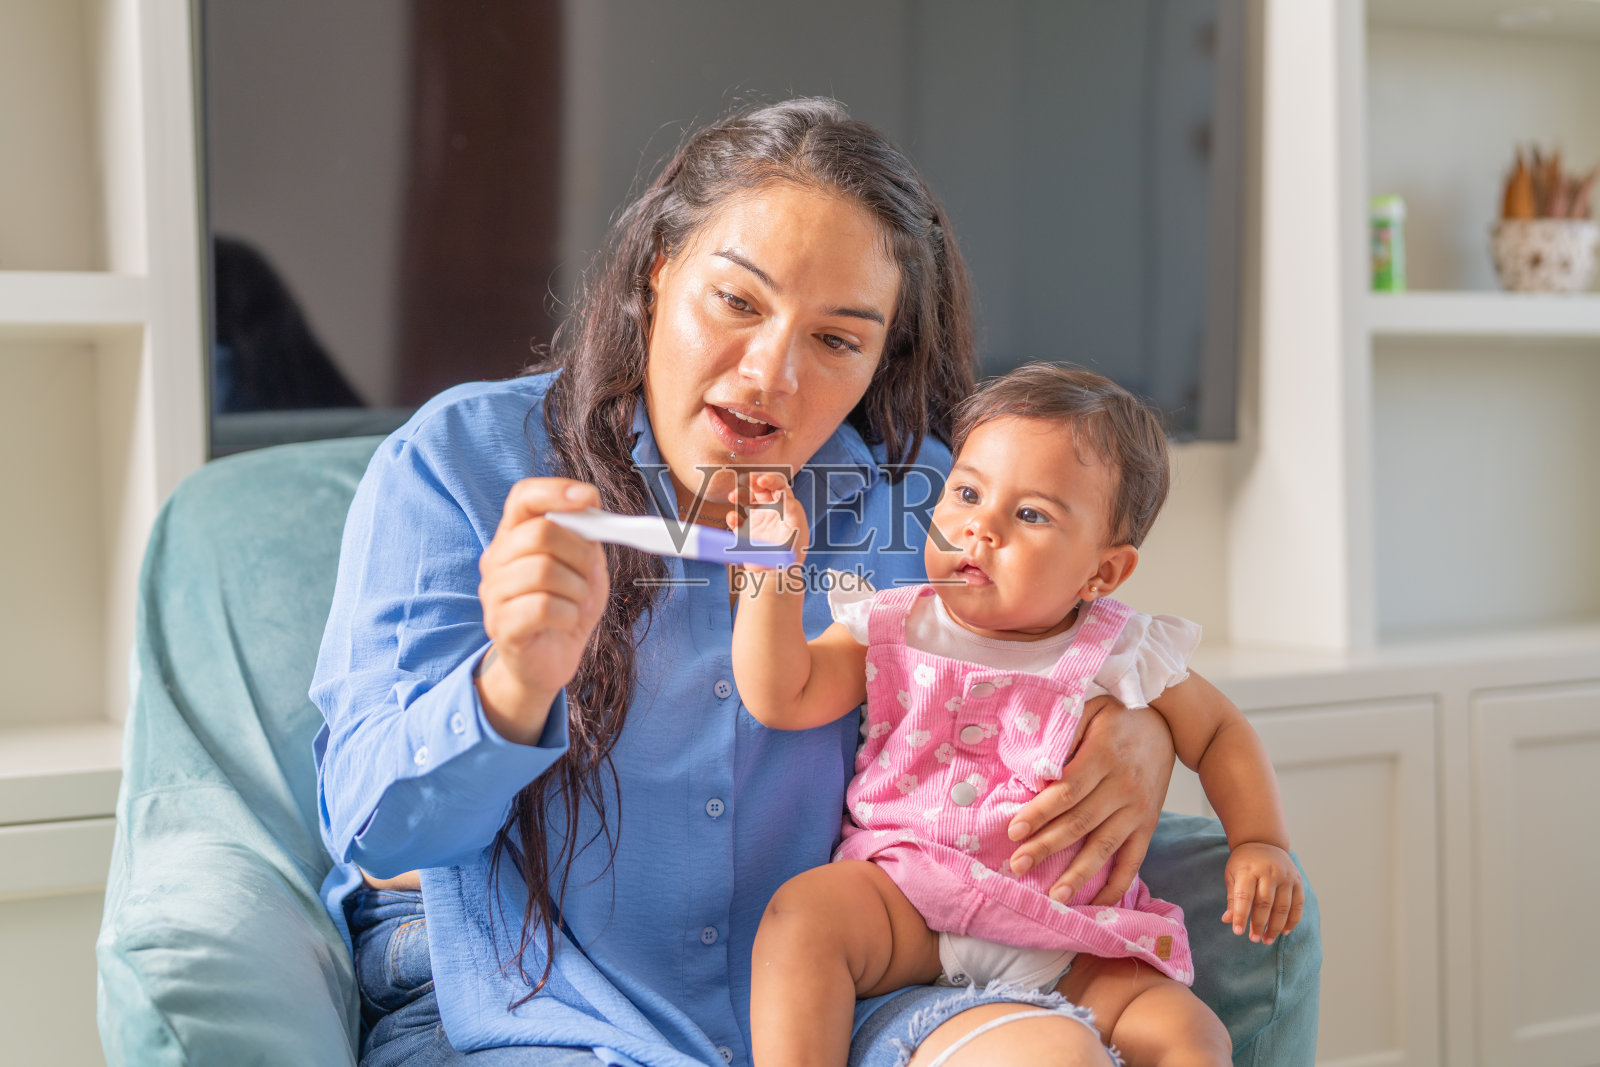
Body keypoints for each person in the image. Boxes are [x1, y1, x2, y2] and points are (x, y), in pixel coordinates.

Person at [312, 99, 1312, 1067]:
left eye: (836, 338)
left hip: (860, 993)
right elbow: (382, 828)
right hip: (548, 1002)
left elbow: (1066, 639)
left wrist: (1131, 727)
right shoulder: (461, 462)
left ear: (880, 358)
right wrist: (514, 686)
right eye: (736, 300)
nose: (769, 372)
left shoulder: (932, 500)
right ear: (660, 272)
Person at [732, 365, 1305, 1067]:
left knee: (1192, 1035)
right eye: (968, 492)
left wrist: (1261, 841)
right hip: (910, 898)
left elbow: (1218, 730)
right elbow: (782, 692)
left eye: (1031, 514)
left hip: (1073, 933)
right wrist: (770, 576)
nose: (982, 527)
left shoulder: (1119, 649)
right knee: (802, 918)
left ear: (1102, 573)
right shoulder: (892, 625)